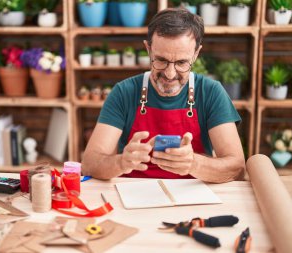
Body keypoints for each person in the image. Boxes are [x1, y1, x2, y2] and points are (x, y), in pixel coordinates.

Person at [81, 8, 245, 183]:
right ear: (148, 49)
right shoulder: (124, 92)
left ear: (196, 54)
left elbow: (237, 169)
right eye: (161, 60)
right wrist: (120, 162)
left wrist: (194, 164)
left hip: (192, 196)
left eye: (181, 62)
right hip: (133, 193)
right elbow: (89, 164)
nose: (169, 74)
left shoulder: (211, 92)